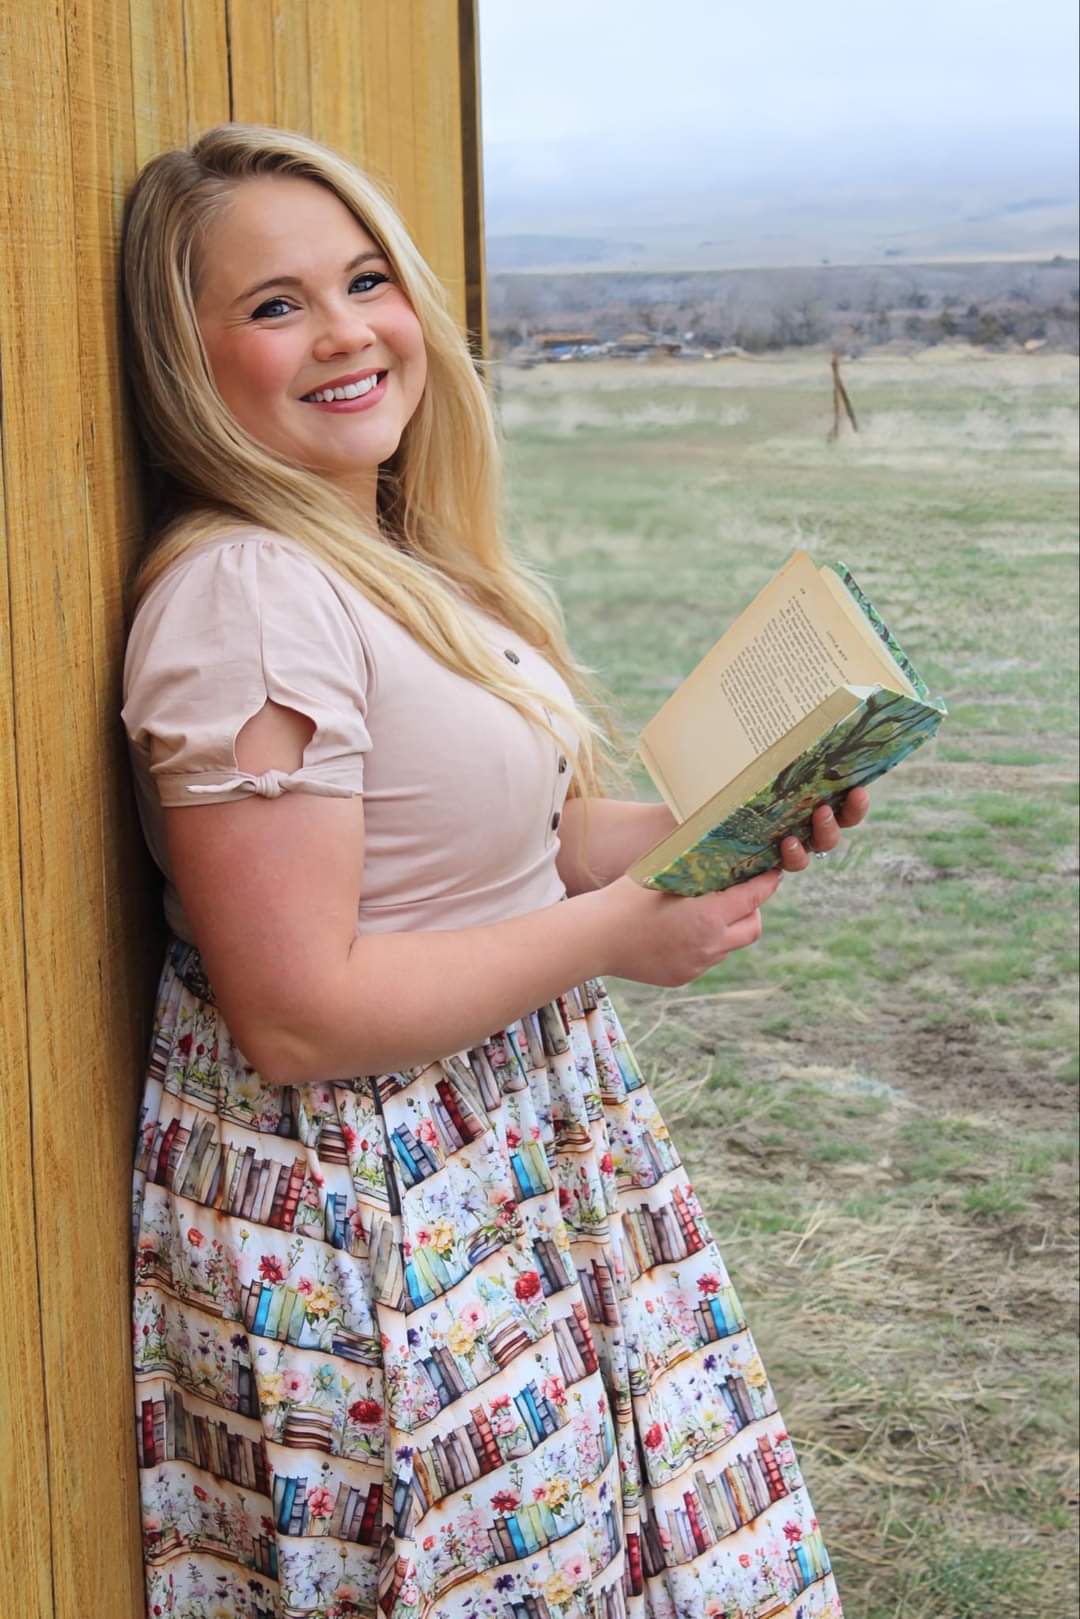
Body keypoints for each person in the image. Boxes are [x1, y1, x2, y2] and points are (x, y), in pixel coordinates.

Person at [121, 124, 866, 1619]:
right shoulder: (244, 601)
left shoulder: (381, 555)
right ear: (189, 360)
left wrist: (706, 826)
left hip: (509, 1147)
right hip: (376, 1198)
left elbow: (505, 847)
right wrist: (618, 932)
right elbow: (300, 1011)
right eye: (276, 307)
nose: (346, 333)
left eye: (366, 280)